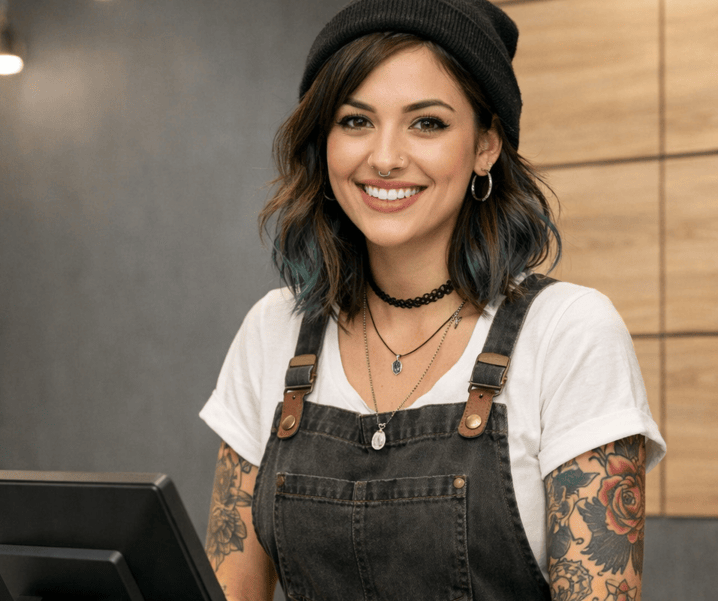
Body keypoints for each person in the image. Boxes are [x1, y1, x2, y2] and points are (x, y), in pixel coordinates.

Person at [200, 1, 666, 599]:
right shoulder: (273, 331)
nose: (386, 156)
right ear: (324, 140)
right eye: (355, 120)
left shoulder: (570, 333)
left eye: (428, 123)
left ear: (486, 145)